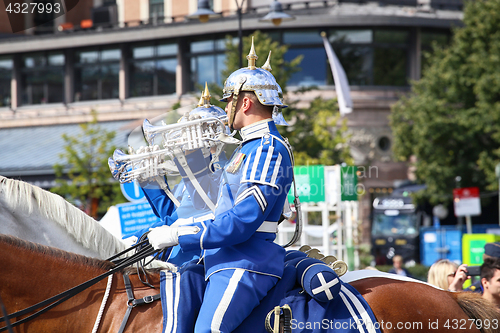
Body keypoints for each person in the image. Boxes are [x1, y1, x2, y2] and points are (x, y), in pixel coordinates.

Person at [147, 38, 296, 333]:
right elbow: (219, 211)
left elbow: (242, 221)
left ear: (246, 102)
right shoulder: (246, 149)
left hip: (245, 262)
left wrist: (179, 234)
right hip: (223, 259)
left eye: (229, 99)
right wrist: (172, 232)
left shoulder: (267, 148)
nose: (225, 106)